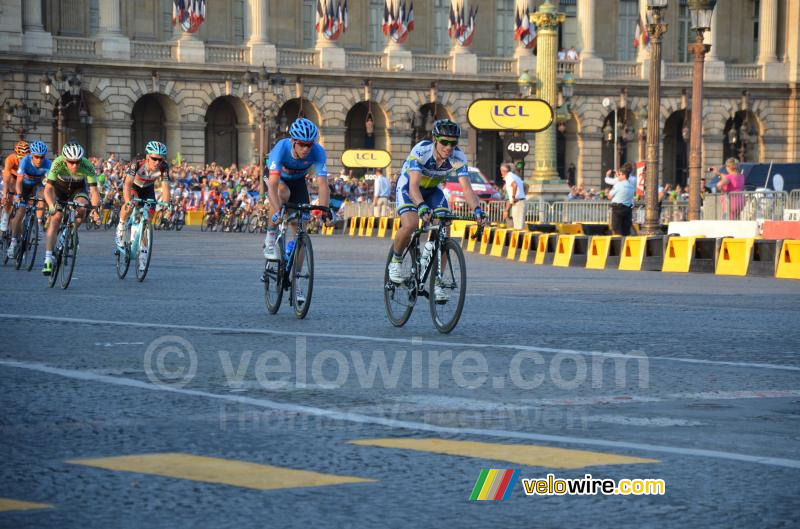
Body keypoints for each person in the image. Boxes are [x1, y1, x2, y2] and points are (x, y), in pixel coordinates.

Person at [388, 119, 487, 302]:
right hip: (410, 187)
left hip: (433, 191)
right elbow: (414, 187)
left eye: (453, 143)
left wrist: (478, 210)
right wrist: (421, 206)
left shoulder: (458, 157)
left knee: (444, 229)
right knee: (410, 225)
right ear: (435, 139)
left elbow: (467, 189)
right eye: (444, 142)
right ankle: (396, 261)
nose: (448, 147)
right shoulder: (421, 150)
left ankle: (437, 282)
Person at [263, 118, 331, 277]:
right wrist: (278, 210)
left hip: (298, 181)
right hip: (277, 178)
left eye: (310, 144)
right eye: (302, 144)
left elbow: (323, 185)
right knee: (283, 192)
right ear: (293, 141)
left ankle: (297, 279)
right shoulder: (281, 148)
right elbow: (272, 185)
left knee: (301, 227)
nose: (306, 149)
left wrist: (325, 212)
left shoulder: (318, 151)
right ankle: (270, 237)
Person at [41, 143, 101, 275]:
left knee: (82, 209)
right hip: (59, 190)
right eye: (71, 162)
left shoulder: (87, 165)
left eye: (78, 162)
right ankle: (48, 258)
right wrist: (51, 205)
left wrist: (95, 209)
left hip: (78, 189)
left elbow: (94, 191)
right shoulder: (57, 163)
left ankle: (71, 231)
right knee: (56, 218)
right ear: (64, 159)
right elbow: (48, 189)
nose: (75, 165)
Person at [115, 141, 171, 258]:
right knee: (130, 205)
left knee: (148, 219)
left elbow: (165, 187)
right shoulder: (137, 162)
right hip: (133, 186)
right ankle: (121, 227)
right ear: (147, 156)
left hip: (147, 189)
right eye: (154, 158)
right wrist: (128, 200)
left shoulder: (164, 167)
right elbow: (127, 184)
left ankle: (143, 251)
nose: (157, 162)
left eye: (160, 160)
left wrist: (166, 205)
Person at [7, 141, 51, 258]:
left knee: (43, 196)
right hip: (24, 186)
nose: (39, 160)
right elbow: (19, 182)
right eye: (36, 157)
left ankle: (39, 223)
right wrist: (20, 195)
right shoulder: (25, 161)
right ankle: (13, 242)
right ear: (32, 155)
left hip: (37, 186)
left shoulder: (48, 164)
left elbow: (50, 185)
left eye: (42, 157)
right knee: (21, 212)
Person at [2, 140, 29, 232]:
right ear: (16, 154)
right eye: (20, 157)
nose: (22, 160)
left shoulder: (30, 160)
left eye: (24, 157)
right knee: (10, 190)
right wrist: (5, 194)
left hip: (24, 177)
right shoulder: (10, 159)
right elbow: (6, 178)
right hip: (13, 176)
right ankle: (6, 215)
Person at [608, 168, 634, 236]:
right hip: (628, 208)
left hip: (618, 209)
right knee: (626, 229)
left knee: (616, 227)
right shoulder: (631, 186)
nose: (617, 176)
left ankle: (619, 244)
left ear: (624, 176)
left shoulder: (618, 185)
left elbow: (609, 196)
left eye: (619, 175)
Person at [500, 163, 526, 230]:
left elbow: (514, 185)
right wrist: (522, 194)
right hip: (520, 201)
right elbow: (526, 186)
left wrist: (513, 197)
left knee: (518, 227)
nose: (501, 174)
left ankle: (518, 240)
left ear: (503, 171)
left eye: (501, 172)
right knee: (519, 225)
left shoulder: (508, 177)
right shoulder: (515, 176)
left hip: (517, 202)